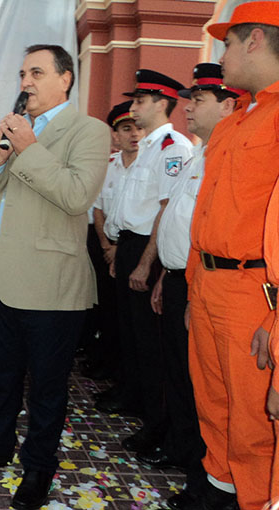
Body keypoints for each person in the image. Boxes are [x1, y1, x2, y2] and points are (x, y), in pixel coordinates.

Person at [0, 44, 110, 510]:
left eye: (36, 72)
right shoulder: (14, 132)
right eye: (23, 72)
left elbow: (77, 196)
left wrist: (29, 147)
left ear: (65, 79)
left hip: (52, 284)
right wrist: (2, 156)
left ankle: (39, 466)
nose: (26, 81)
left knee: (46, 386)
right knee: (1, 376)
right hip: (3, 277)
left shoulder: (88, 131)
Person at [187, 3, 279, 507]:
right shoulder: (234, 121)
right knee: (214, 409)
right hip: (209, 285)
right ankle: (218, 493)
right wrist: (193, 290)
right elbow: (207, 215)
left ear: (255, 40)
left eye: (226, 42)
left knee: (253, 425)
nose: (220, 55)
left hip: (254, 294)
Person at [146, 63, 240, 510]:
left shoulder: (226, 153)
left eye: (198, 99)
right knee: (183, 378)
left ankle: (205, 472)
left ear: (227, 104)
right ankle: (189, 457)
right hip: (184, 277)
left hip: (212, 282)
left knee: (204, 385)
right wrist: (166, 274)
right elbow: (184, 224)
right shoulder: (199, 154)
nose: (188, 107)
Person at [101, 70, 192, 452]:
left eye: (140, 101)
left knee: (152, 345)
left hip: (148, 251)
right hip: (130, 245)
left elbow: (165, 211)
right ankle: (138, 400)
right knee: (132, 334)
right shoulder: (150, 147)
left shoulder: (173, 147)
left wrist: (143, 263)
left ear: (161, 103)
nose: (133, 108)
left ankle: (158, 425)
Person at [85, 101, 144, 383]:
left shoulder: (149, 163)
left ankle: (124, 376)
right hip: (105, 246)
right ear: (115, 135)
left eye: (137, 128)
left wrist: (118, 249)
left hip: (132, 248)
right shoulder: (109, 165)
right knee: (107, 310)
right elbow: (98, 209)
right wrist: (106, 247)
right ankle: (107, 365)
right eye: (126, 129)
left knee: (129, 319)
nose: (134, 134)